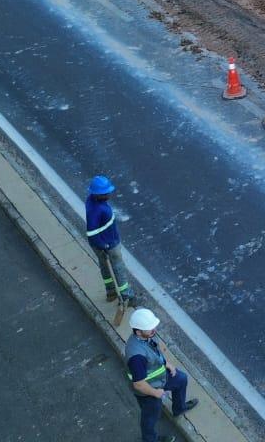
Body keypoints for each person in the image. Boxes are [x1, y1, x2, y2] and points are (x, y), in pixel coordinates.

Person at [126, 308, 199, 442]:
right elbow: (138, 384)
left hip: (160, 379)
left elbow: (154, 353)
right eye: (150, 328)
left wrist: (166, 363)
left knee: (181, 379)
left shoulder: (146, 337)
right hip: (148, 391)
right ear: (138, 331)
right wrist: (155, 393)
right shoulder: (136, 356)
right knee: (150, 417)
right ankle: (150, 440)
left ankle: (179, 408)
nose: (154, 329)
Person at [85, 174, 135, 306]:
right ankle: (126, 295)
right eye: (106, 193)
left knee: (105, 266)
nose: (109, 194)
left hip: (102, 242)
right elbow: (91, 232)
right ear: (98, 194)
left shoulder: (91, 200)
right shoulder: (97, 210)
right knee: (118, 266)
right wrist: (104, 245)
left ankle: (111, 291)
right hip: (108, 243)